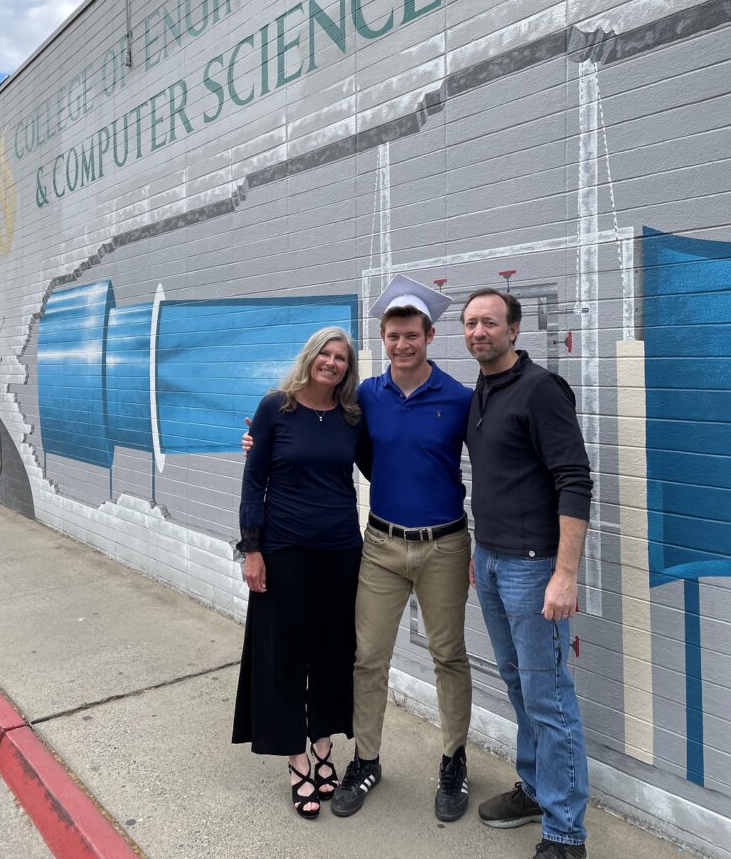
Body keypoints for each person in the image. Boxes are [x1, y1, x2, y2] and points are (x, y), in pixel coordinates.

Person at [331, 275, 474, 823]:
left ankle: (453, 760)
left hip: (443, 546)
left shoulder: (459, 398)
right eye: (393, 336)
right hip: (383, 546)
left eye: (411, 335)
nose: (401, 345)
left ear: (430, 336)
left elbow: (494, 459)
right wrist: (262, 435)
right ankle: (366, 759)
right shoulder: (367, 394)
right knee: (368, 658)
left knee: (448, 656)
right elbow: (324, 423)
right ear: (383, 338)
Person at [461, 287, 593, 859]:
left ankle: (566, 836)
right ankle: (537, 790)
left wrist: (565, 575)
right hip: (491, 562)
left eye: (490, 322)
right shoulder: (482, 392)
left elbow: (575, 480)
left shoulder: (540, 390)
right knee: (519, 687)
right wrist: (479, 551)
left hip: (535, 569)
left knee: (549, 697)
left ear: (514, 330)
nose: (478, 332)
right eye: (470, 323)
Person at [231, 326, 370, 819]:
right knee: (283, 654)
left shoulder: (353, 416)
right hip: (283, 550)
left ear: (348, 369)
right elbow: (254, 481)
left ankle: (324, 745)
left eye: (341, 358)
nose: (332, 363)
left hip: (340, 551)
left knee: (332, 651)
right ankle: (295, 759)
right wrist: (252, 550)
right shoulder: (276, 407)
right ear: (310, 357)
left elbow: (382, 464)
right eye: (325, 354)